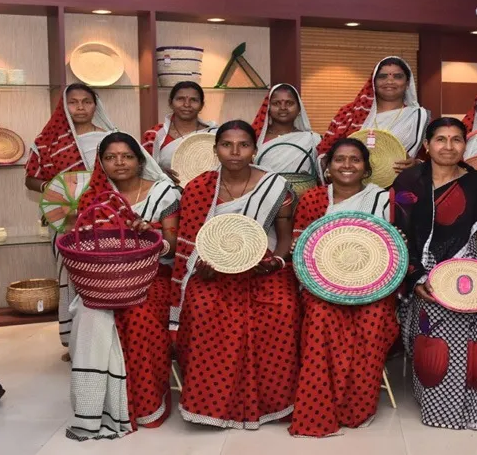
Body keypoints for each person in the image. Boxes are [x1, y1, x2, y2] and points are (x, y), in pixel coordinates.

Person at [170, 120, 300, 429]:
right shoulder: (199, 188)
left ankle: (273, 403)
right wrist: (204, 267)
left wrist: (276, 264)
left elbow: (283, 238)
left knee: (283, 309)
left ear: (255, 150)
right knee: (203, 309)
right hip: (212, 267)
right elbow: (192, 241)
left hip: (262, 265)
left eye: (243, 145)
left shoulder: (276, 187)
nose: (235, 152)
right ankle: (213, 405)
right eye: (227, 145)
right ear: (215, 150)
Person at [391, 117, 477, 430]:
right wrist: (417, 276)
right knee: (437, 345)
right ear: (427, 146)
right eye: (441, 139)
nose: (448, 146)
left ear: (464, 145)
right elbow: (400, 234)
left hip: (469, 269)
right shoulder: (408, 181)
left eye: (456, 140)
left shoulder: (476, 184)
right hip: (423, 270)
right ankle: (440, 407)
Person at [67, 132, 180, 440]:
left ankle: (146, 406)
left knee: (139, 316)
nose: (119, 162)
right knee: (92, 317)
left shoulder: (163, 194)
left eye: (127, 156)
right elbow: (86, 244)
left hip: (152, 278)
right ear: (101, 163)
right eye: (111, 157)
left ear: (140, 160)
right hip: (102, 282)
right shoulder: (94, 198)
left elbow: (173, 243)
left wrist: (150, 237)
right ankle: (103, 405)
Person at [288, 138, 397, 438]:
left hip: (373, 286)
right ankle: (320, 407)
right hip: (320, 285)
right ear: (328, 166)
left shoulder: (382, 200)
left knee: (373, 322)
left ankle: (356, 408)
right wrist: (306, 256)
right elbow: (300, 246)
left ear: (366, 168)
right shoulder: (312, 199)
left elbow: (395, 248)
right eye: (340, 160)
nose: (347, 165)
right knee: (321, 319)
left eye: (355, 160)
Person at [24, 83, 117, 351]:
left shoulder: (111, 138)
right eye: (73, 102)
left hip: (104, 218)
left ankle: (105, 343)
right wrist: (57, 191)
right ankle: (75, 343)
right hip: (66, 220)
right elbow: (31, 179)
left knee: (102, 278)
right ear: (64, 107)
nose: (80, 107)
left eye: (86, 102)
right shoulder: (48, 142)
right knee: (71, 279)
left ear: (95, 105)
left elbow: (129, 172)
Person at [318, 56, 431, 177]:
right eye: (383, 76)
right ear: (373, 82)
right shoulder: (349, 113)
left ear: (407, 83)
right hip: (351, 187)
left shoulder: (418, 117)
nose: (390, 81)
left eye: (397, 76)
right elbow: (325, 152)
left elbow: (434, 157)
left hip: (401, 187)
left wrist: (416, 164)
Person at [142, 81, 216, 179]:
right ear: (170, 103)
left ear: (201, 105)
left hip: (207, 191)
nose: (186, 104)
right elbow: (142, 168)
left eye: (193, 100)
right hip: (166, 191)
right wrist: (160, 172)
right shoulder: (154, 135)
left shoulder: (214, 135)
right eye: (180, 99)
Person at [251, 83, 321, 182]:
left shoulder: (312, 140)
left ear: (299, 108)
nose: (283, 108)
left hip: (302, 195)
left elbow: (320, 175)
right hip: (263, 195)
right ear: (268, 109)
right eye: (276, 103)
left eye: (289, 103)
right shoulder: (254, 138)